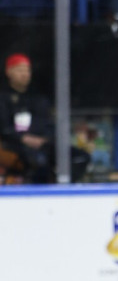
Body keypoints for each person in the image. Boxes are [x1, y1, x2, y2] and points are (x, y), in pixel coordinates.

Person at [0, 54, 90, 184]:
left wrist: (46, 138)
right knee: (38, 162)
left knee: (80, 157)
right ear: (9, 72)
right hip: (16, 146)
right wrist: (23, 138)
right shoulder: (3, 98)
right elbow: (4, 129)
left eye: (27, 70)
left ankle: (62, 188)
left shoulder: (37, 97)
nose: (24, 74)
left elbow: (47, 123)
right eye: (20, 70)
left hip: (43, 144)